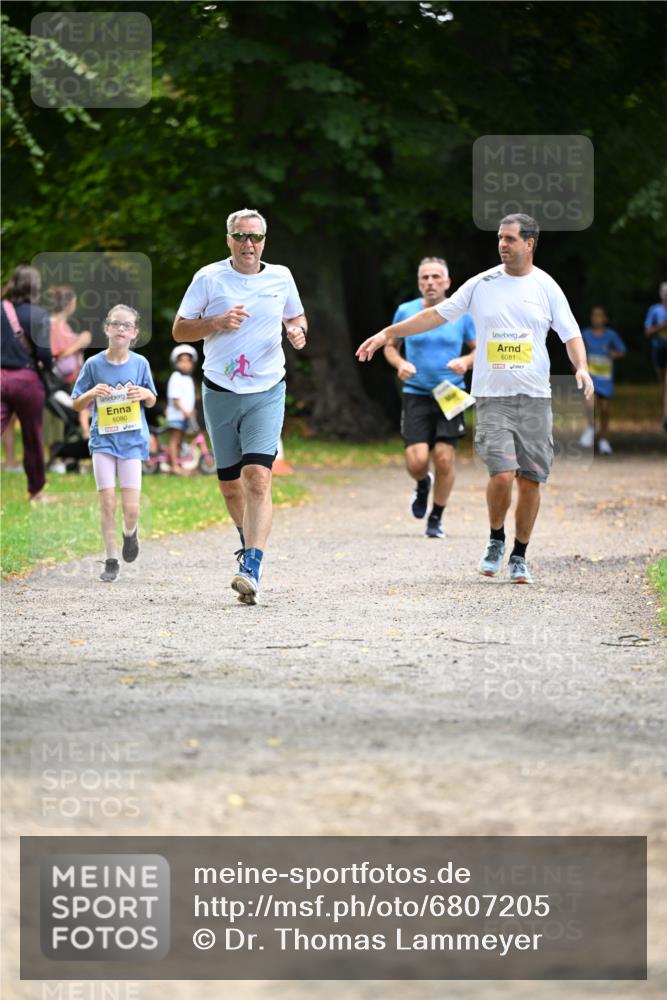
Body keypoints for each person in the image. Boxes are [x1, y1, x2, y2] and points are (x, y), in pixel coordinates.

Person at [357, 213, 594, 584]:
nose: (503, 244)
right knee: (502, 475)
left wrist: (580, 366)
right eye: (500, 238)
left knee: (530, 480)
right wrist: (386, 333)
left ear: (530, 243)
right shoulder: (483, 284)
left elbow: (570, 332)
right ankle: (496, 538)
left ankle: (519, 554)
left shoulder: (547, 287)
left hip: (534, 396)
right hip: (492, 396)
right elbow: (435, 316)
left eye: (511, 239)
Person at [172, 207, 307, 605]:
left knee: (257, 478)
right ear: (228, 239)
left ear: (265, 240)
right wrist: (215, 322)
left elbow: (295, 317)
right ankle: (245, 543)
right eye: (241, 236)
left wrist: (296, 331)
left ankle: (252, 565)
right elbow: (179, 329)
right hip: (220, 390)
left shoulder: (281, 276)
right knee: (230, 486)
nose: (249, 244)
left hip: (267, 389)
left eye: (256, 237)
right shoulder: (209, 277)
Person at [384, 257, 476, 539]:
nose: (430, 282)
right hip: (416, 393)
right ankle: (423, 483)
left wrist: (466, 361)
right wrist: (399, 364)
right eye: (425, 278)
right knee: (417, 461)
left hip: (451, 393)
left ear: (447, 283)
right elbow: (390, 345)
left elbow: (479, 348)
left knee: (445, 458)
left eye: (436, 277)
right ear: (419, 283)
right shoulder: (406, 311)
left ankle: (436, 516)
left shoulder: (463, 314)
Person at [71, 304, 157, 583]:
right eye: (116, 324)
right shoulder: (93, 365)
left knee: (131, 508)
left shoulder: (140, 364)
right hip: (103, 442)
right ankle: (110, 559)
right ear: (106, 328)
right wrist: (92, 393)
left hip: (132, 442)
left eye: (127, 325)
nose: (121, 329)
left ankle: (130, 534)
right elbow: (76, 403)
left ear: (135, 333)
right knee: (107, 502)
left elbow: (152, 399)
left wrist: (144, 392)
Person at [0, 264, 55, 501]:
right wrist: (49, 367)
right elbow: (44, 355)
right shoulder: (39, 314)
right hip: (27, 380)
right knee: (33, 436)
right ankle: (35, 491)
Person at [579, 306, 626, 454]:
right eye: (594, 315)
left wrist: (612, 354)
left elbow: (622, 351)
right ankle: (590, 427)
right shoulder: (585, 334)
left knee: (605, 409)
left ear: (605, 319)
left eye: (600, 316)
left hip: (605, 378)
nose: (597, 319)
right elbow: (578, 350)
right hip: (591, 377)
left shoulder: (611, 335)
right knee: (589, 404)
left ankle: (604, 439)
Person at [166, 344, 198, 475]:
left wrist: (192, 410)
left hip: (185, 415)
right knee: (175, 439)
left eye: (188, 361)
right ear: (176, 363)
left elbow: (189, 398)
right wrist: (185, 410)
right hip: (177, 415)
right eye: (182, 361)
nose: (185, 364)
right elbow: (176, 398)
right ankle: (174, 465)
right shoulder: (176, 377)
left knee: (180, 441)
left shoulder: (188, 379)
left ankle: (177, 463)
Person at [643, 281, 667, 430]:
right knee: (663, 383)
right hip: (659, 350)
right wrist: (662, 327)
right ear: (661, 295)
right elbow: (647, 332)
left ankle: (666, 415)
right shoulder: (655, 310)